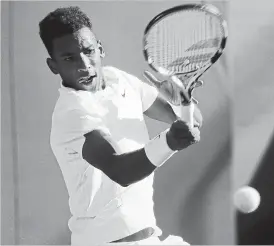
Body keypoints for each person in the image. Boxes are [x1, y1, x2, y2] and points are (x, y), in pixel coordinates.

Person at [39, 6, 203, 246]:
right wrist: (168, 142)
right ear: (53, 66)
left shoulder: (119, 79)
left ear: (100, 49)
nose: (84, 64)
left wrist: (181, 102)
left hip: (149, 237)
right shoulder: (72, 111)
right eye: (69, 58)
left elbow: (192, 122)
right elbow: (121, 171)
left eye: (88, 51)